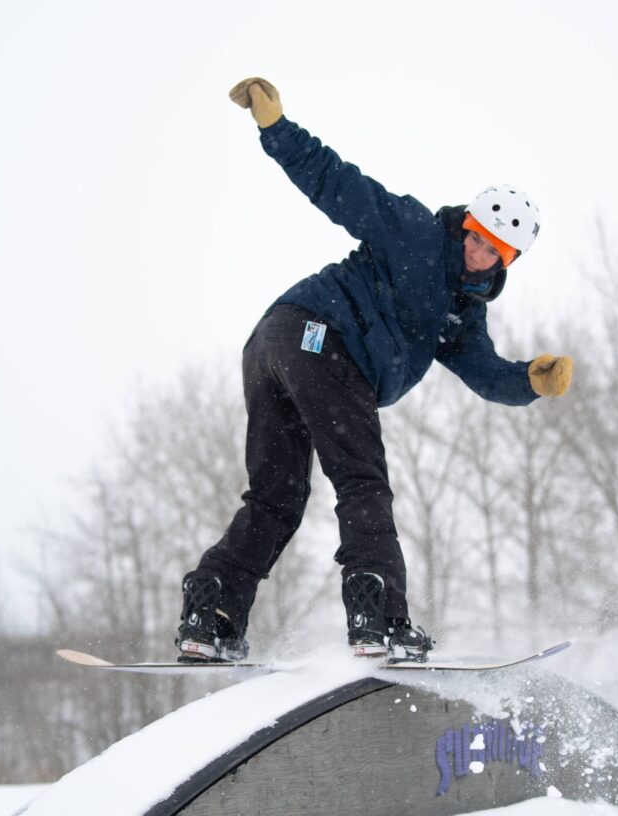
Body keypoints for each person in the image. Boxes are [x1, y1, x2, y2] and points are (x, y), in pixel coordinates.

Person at [175, 77, 573, 665]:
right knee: (363, 481)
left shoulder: (461, 317)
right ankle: (379, 618)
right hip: (316, 335)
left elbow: (486, 373)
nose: (479, 254)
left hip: (273, 346)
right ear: (467, 222)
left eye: (495, 252)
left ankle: (212, 609)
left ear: (509, 262)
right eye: (477, 238)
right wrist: (275, 128)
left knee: (278, 497)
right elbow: (337, 184)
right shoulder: (413, 230)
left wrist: (530, 382)